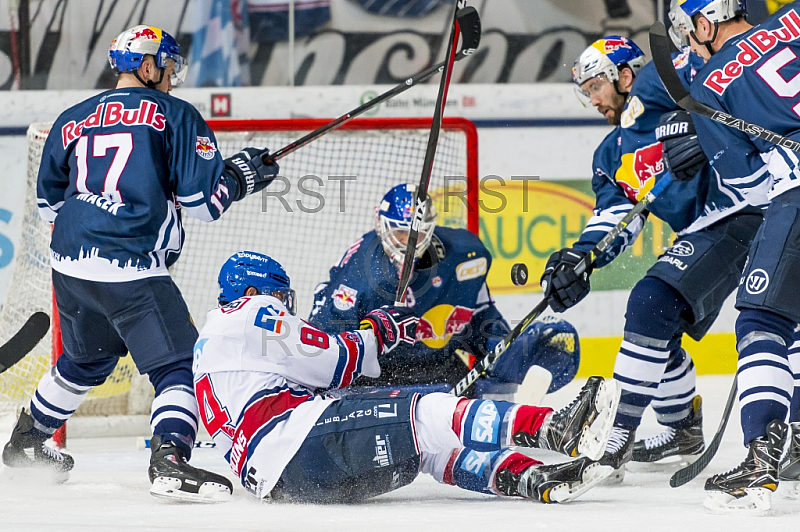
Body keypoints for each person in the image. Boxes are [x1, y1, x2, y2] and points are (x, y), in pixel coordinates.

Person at [1, 25, 279, 502]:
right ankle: (170, 459)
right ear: (148, 67)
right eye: (168, 68)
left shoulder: (72, 118)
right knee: (181, 365)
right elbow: (202, 202)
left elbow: (50, 205)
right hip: (130, 268)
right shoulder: (176, 114)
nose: (172, 79)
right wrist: (240, 175)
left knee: (86, 358)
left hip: (68, 265)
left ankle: (27, 439)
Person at [192, 250, 622, 504]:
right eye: (280, 296)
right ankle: (554, 428)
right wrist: (379, 329)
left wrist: (374, 338)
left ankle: (531, 478)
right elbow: (332, 361)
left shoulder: (213, 343)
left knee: (426, 448)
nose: (285, 306)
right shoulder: (250, 314)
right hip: (297, 443)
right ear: (253, 293)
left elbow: (321, 382)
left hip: (291, 478)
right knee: (427, 410)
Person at [545, 29, 763, 482]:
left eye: (596, 88)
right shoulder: (610, 154)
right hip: (714, 224)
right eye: (586, 94)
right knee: (657, 315)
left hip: (750, 201)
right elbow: (616, 216)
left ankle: (615, 438)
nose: (594, 102)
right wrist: (581, 258)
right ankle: (681, 428)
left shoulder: (659, 82)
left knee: (652, 302)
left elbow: (735, 73)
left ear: (625, 75)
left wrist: (704, 134)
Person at [666, 0, 800, 513]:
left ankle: (761, 451)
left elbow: (750, 186)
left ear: (705, 22)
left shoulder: (711, 87)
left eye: (688, 27)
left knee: (764, 320)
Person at [308, 183, 581, 402]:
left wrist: (504, 354)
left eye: (415, 234)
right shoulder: (359, 273)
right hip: (379, 383)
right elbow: (324, 345)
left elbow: (481, 318)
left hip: (442, 374)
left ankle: (522, 415)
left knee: (557, 337)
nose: (408, 244)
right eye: (400, 234)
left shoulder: (464, 256)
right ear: (382, 225)